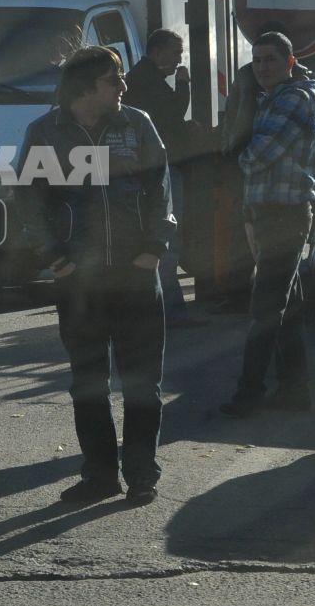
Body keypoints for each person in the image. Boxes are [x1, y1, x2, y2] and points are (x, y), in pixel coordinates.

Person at [22, 46, 174, 505]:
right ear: (87, 87)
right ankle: (100, 475)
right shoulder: (46, 133)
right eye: (115, 79)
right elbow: (29, 200)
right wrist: (51, 255)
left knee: (142, 384)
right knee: (88, 383)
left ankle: (142, 474)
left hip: (135, 275)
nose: (123, 87)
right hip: (79, 282)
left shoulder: (137, 124)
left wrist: (155, 247)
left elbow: (160, 188)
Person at [221, 32, 315, 418]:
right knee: (286, 308)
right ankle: (295, 390)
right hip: (272, 211)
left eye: (271, 60)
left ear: (290, 62)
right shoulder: (276, 97)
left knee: (265, 308)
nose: (263, 67)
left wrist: (239, 135)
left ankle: (249, 394)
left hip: (285, 212)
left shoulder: (293, 98)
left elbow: (254, 157)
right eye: (257, 60)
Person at [124, 28, 197, 326]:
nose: (179, 58)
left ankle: (161, 307)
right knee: (167, 236)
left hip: (144, 170)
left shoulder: (137, 79)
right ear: (157, 51)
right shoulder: (149, 81)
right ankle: (171, 310)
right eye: (176, 52)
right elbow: (171, 115)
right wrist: (183, 85)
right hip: (163, 168)